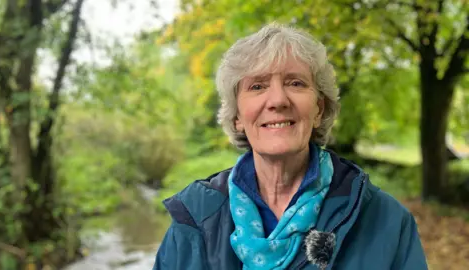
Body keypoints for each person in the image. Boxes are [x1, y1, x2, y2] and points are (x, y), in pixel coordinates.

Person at [154, 23, 428, 270]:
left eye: (295, 83)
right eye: (258, 86)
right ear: (237, 117)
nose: (277, 100)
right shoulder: (192, 222)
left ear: (319, 109)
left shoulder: (387, 222)